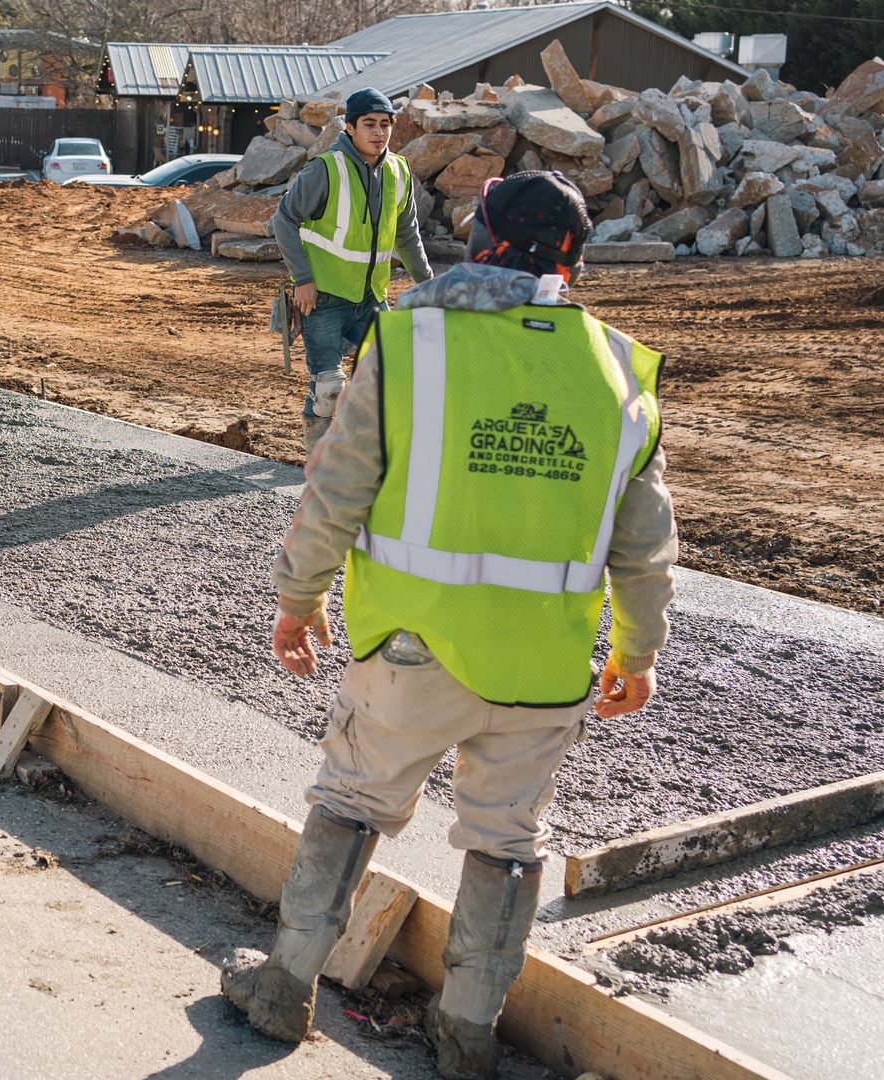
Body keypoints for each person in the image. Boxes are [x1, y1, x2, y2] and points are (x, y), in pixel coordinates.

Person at [223, 172, 678, 1080]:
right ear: (573, 263)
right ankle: (468, 1031)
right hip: (543, 669)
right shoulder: (621, 368)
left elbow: (338, 486)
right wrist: (637, 652)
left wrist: (298, 596)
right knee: (510, 844)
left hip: (410, 651)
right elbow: (645, 540)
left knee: (352, 801)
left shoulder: (412, 342)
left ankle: (284, 987)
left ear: (483, 243)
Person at [271, 88, 434, 455]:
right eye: (369, 124)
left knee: (385, 380)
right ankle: (317, 461)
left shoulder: (399, 171)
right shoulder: (325, 169)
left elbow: (408, 235)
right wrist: (303, 280)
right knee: (328, 388)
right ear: (349, 127)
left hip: (372, 298)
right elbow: (283, 220)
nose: (379, 132)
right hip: (324, 296)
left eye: (385, 124)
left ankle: (361, 455)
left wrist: (429, 285)